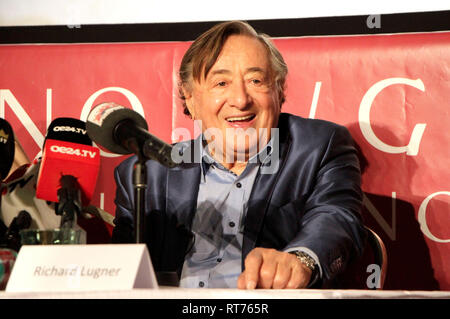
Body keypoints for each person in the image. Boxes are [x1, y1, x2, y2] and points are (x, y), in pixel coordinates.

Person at [112, 21, 367, 289]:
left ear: (280, 91)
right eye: (221, 83)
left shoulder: (318, 147)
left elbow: (336, 218)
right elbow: (119, 275)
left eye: (256, 81)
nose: (240, 99)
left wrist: (301, 259)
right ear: (189, 98)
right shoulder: (146, 174)